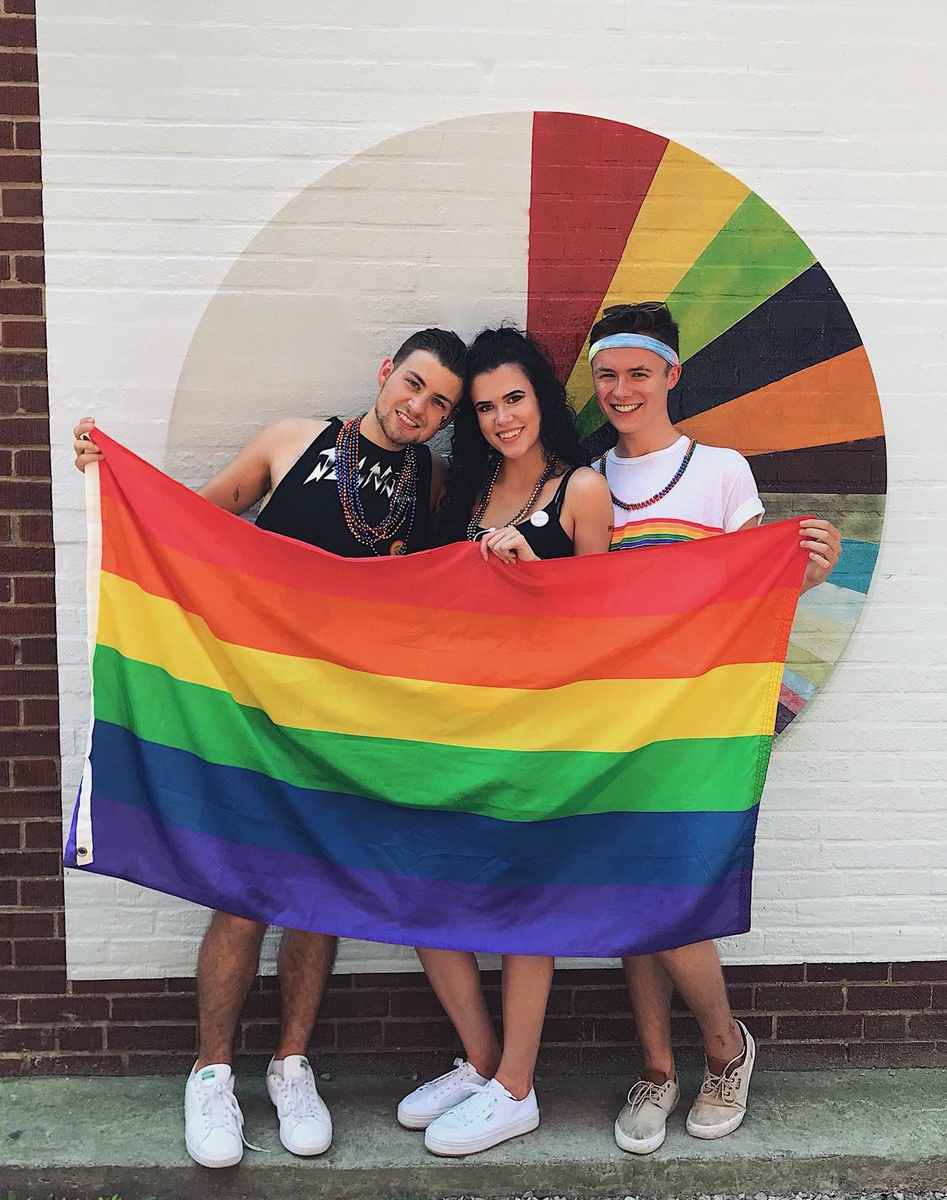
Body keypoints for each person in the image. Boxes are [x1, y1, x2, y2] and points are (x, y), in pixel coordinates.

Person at [72, 327, 467, 1169]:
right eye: (416, 385)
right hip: (251, 711)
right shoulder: (294, 441)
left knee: (316, 898)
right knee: (244, 894)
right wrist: (118, 476)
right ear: (386, 370)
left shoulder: (432, 483)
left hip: (347, 726)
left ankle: (292, 1063)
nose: (420, 408)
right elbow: (193, 520)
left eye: (440, 404)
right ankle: (210, 1072)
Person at [584, 301, 842, 1155]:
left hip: (697, 722)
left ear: (671, 376)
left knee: (676, 896)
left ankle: (726, 1050)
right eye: (607, 375)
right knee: (631, 897)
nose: (621, 391)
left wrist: (802, 573)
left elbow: (748, 597)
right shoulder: (587, 480)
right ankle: (657, 1070)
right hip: (615, 721)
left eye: (638, 374)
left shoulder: (722, 472)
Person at [396, 327, 613, 1157]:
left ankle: (516, 1088)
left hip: (542, 731)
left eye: (512, 398)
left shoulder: (582, 489)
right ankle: (485, 1065)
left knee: (528, 906)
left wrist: (540, 576)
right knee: (423, 890)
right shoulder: (466, 488)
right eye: (483, 406)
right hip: (453, 725)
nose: (499, 417)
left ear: (541, 398)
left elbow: (605, 632)